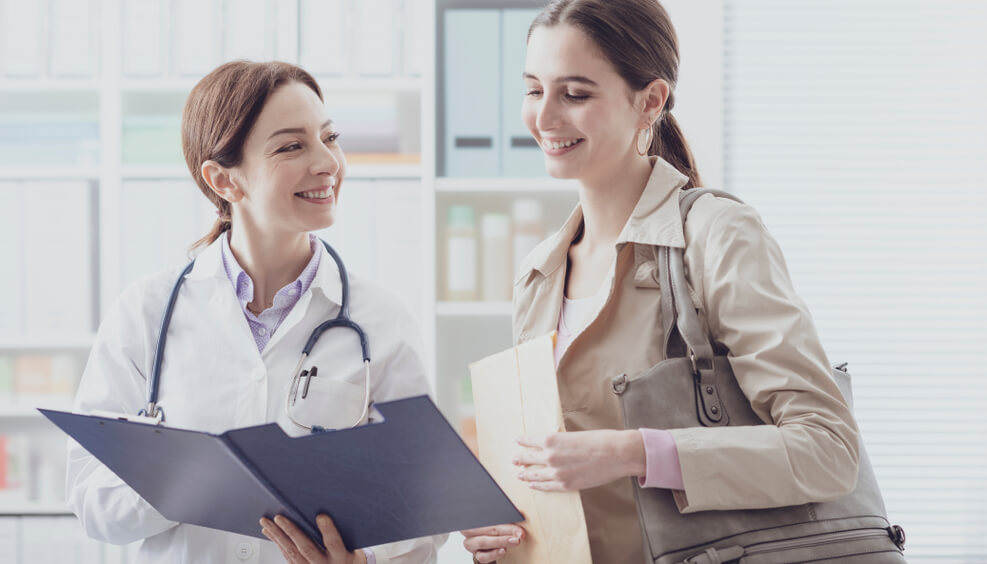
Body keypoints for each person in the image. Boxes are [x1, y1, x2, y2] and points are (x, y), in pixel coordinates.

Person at [461, 1, 860, 562]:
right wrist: (505, 532)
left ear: (650, 101)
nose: (544, 118)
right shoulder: (538, 275)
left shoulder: (717, 235)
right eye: (533, 90)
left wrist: (638, 452)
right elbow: (556, 482)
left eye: (574, 94)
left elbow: (829, 449)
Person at [67, 61, 444, 564]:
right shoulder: (146, 312)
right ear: (224, 180)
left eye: (329, 138)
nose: (327, 162)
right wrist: (181, 480)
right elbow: (92, 499)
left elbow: (426, 504)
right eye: (292, 145)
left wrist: (363, 562)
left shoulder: (382, 321)